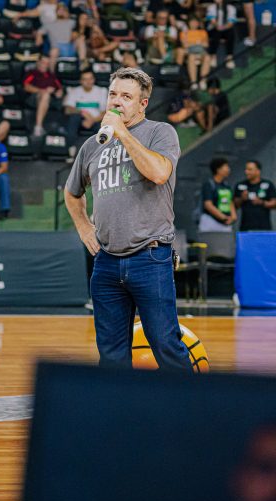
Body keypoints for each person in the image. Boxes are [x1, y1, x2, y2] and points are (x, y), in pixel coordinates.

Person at [64, 67, 192, 371]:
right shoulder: (92, 145)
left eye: (126, 96)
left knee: (165, 344)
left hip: (150, 258)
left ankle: (192, 401)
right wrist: (84, 228)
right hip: (106, 261)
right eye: (113, 94)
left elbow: (159, 173)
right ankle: (118, 404)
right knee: (111, 354)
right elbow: (72, 192)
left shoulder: (160, 132)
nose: (116, 101)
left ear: (142, 104)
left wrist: (122, 133)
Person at [63, 69, 107, 159]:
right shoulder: (74, 91)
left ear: (94, 80)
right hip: (80, 118)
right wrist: (82, 112)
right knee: (73, 119)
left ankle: (99, 155)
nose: (88, 81)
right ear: (80, 81)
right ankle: (71, 151)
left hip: (96, 118)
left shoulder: (102, 91)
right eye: (85, 79)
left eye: (90, 79)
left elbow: (105, 112)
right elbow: (67, 110)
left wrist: (91, 120)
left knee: (103, 125)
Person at [23, 55, 64, 137]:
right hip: (34, 98)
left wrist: (59, 92)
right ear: (38, 62)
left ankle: (62, 127)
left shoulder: (52, 76)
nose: (45, 65)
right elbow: (26, 87)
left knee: (51, 97)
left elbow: (60, 88)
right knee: (45, 95)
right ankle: (38, 127)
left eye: (47, 63)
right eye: (43, 62)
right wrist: (42, 91)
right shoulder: (32, 73)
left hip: (51, 99)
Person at [234, 160, 275, 231]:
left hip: (264, 227)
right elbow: (234, 205)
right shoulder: (240, 185)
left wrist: (261, 202)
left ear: (258, 171)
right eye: (246, 169)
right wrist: (242, 198)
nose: (246, 172)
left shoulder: (268, 184)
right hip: (245, 227)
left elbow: (274, 203)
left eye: (250, 169)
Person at [200, 157, 237, 232]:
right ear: (218, 169)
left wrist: (233, 217)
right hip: (210, 222)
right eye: (226, 167)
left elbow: (230, 202)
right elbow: (208, 205)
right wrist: (223, 217)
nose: (228, 169)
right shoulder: (209, 185)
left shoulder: (226, 185)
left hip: (226, 224)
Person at [206, 0, 237, 69]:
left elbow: (231, 22)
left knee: (231, 33)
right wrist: (217, 26)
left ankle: (229, 57)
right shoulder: (211, 7)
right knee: (216, 33)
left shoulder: (231, 8)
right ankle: (213, 56)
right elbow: (212, 20)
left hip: (226, 28)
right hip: (214, 28)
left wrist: (224, 27)